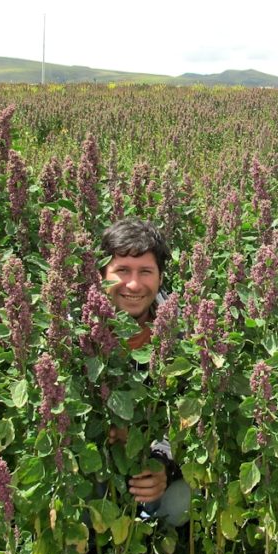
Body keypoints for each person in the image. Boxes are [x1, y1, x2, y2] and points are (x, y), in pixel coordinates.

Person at [100, 217, 190, 526]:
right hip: (97, 467)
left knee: (182, 504)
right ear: (101, 275)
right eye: (122, 271)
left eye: (146, 272)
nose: (134, 285)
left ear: (161, 277)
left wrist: (161, 460)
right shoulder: (77, 332)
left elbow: (187, 413)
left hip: (149, 463)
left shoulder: (179, 334)